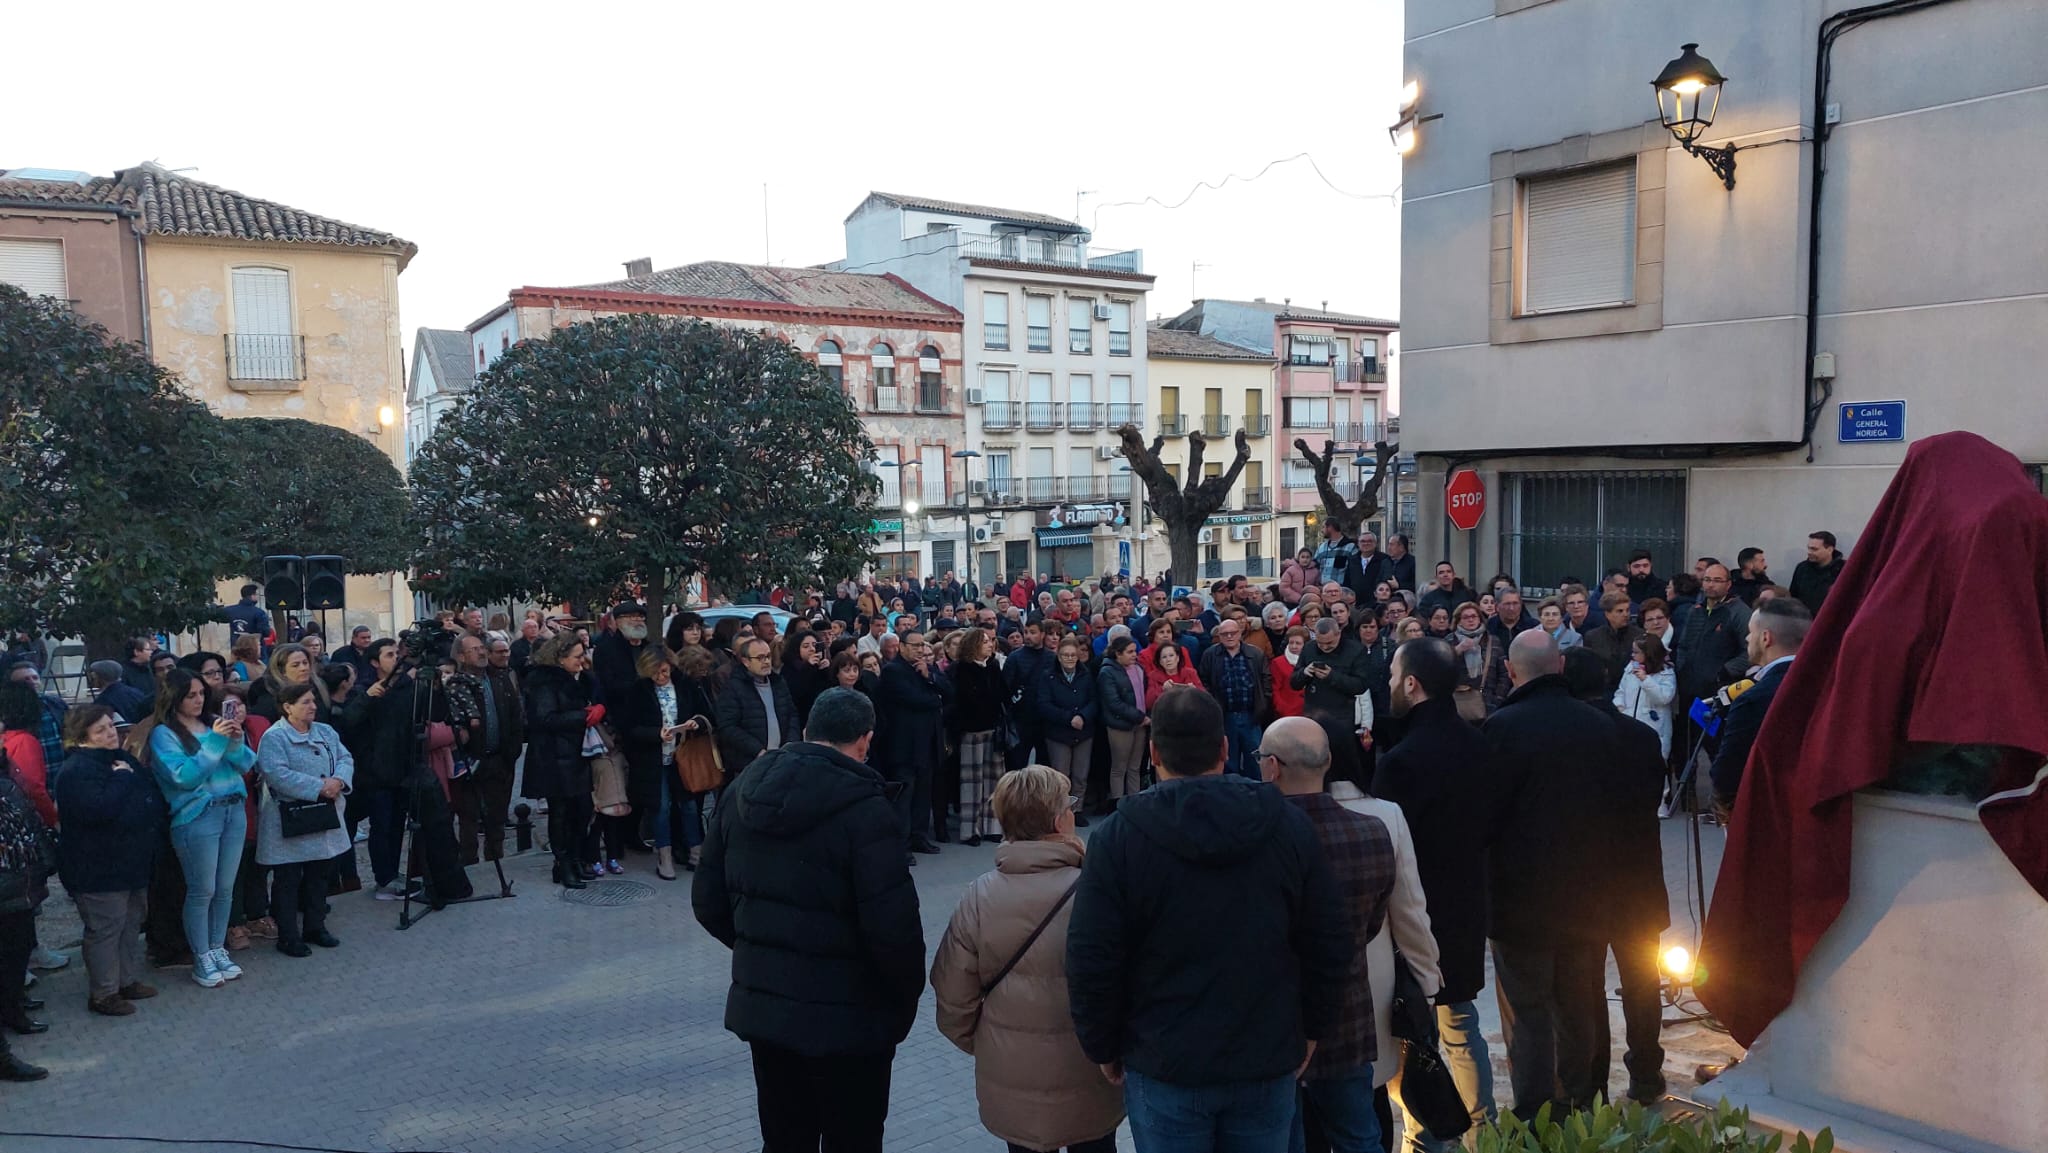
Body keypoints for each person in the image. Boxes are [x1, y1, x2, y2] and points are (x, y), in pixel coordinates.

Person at [1066, 688, 1349, 1152]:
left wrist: (1101, 1044)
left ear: (1153, 753)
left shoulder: (1118, 837)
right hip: (1263, 1053)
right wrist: (1315, 1027)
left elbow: (1092, 955)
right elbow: (1327, 938)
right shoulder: (1288, 823)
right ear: (1223, 748)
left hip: (1166, 1059)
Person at [692, 688, 925, 1153]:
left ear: (805, 732)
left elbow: (707, 901)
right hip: (851, 1024)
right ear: (865, 741)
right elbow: (893, 932)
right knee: (853, 1140)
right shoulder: (866, 808)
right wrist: (901, 1003)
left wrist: (761, 952)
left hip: (769, 1015)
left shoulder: (743, 789)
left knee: (784, 1139)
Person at [1262, 715, 1436, 1153]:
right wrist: (1427, 983)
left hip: (1276, 1019)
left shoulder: (1257, 835)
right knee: (1361, 1131)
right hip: (1353, 1007)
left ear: (1272, 767)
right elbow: (1390, 916)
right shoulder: (1373, 828)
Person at [930, 765, 1123, 1153]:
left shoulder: (979, 897)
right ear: (1058, 820)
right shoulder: (1096, 890)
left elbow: (952, 1001)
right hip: (1091, 1072)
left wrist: (994, 1045)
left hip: (1013, 1081)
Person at [1480, 631, 1624, 1118]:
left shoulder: (1501, 729)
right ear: (1559, 668)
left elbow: (1486, 817)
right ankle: (1578, 1103)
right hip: (1588, 897)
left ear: (1513, 673)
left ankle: (1535, 1114)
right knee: (1578, 1002)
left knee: (1529, 1012)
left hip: (1521, 903)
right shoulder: (1601, 727)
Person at [1372, 638, 1498, 1147]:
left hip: (1413, 918)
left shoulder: (1402, 761)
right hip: (1467, 906)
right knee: (1462, 1024)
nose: (1387, 686)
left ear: (1411, 683)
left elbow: (1388, 852)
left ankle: (1424, 1138)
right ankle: (1484, 1133)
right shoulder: (1481, 744)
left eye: (1392, 676)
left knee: (1413, 1039)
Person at [1561, 649, 1670, 1106]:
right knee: (1642, 982)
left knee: (1586, 991)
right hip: (1639, 879)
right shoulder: (1642, 737)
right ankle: (1646, 1073)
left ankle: (1592, 1087)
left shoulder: (1569, 741)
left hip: (1586, 886)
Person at [140, 668, 254, 989]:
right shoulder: (164, 734)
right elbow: (184, 777)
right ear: (173, 697)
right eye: (191, 695)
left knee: (225, 888)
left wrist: (233, 740)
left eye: (201, 693)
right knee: (202, 889)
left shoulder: (211, 724)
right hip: (198, 817)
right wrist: (217, 742)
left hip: (233, 809)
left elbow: (247, 763)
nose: (198, 699)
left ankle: (217, 948)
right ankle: (201, 954)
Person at [52, 705, 165, 1017]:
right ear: (82, 737)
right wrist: (121, 782)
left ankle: (126, 981)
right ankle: (103, 994)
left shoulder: (122, 759)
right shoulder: (76, 770)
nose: (110, 733)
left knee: (131, 923)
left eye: (111, 727)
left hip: (132, 861)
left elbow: (147, 792)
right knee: (105, 929)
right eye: (100, 730)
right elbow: (98, 810)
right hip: (97, 868)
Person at [254, 682, 353, 958]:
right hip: (291, 818)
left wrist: (339, 781)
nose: (313, 706)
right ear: (288, 707)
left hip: (324, 814)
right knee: (288, 879)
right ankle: (288, 935)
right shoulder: (275, 737)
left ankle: (315, 926)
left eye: (313, 701)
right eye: (306, 702)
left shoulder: (325, 731)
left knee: (319, 875)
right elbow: (276, 774)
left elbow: (345, 757)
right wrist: (318, 787)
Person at [1709, 598, 1810, 812]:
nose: (1747, 638)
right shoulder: (1826, 685)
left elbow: (1726, 774)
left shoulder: (1752, 699)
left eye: (1750, 632)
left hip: (1765, 812)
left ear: (1765, 638)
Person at [520, 633, 598, 889]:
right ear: (560, 657)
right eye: (576, 656)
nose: (581, 660)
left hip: (573, 754)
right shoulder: (544, 682)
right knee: (562, 813)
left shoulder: (575, 678)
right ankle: (564, 863)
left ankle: (574, 859)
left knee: (581, 810)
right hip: (552, 757)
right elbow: (544, 719)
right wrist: (582, 717)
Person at [448, 633, 522, 869]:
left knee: (497, 817)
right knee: (469, 817)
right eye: (474, 649)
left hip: (500, 759)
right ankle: (470, 865)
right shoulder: (456, 685)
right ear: (461, 656)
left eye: (482, 648)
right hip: (470, 760)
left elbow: (515, 715)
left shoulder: (499, 678)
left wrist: (512, 752)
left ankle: (496, 863)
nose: (481, 652)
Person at [874, 631, 949, 861]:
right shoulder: (893, 671)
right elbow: (917, 699)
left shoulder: (925, 668)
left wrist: (930, 678)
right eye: (914, 645)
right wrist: (935, 699)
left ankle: (919, 836)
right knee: (904, 796)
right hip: (904, 744)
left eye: (921, 645)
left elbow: (949, 690)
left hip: (928, 742)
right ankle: (902, 844)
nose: (919, 650)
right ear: (902, 647)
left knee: (923, 793)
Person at [0, 752, 50, 1081]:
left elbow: (29, 820)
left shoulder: (6, 779)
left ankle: (12, 1009)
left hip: (17, 885)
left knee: (16, 955)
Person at [1293, 617, 1371, 785]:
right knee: (1315, 760)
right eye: (1320, 643)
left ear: (1338, 634)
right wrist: (1304, 673)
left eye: (1329, 643)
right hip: (1314, 715)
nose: (1324, 647)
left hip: (1342, 717)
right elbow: (1294, 683)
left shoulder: (1355, 650)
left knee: (1343, 762)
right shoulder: (1308, 649)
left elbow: (1361, 685)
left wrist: (1332, 677)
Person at [950, 629, 1008, 845]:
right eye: (984, 642)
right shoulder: (961, 669)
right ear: (973, 645)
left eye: (990, 641)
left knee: (995, 781)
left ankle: (992, 826)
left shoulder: (993, 666)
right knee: (972, 784)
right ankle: (970, 830)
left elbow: (1002, 693)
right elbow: (964, 700)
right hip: (971, 731)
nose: (990, 645)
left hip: (993, 730)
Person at [1674, 564, 1753, 721]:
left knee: (1712, 736)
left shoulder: (1739, 612)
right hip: (1689, 686)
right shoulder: (1695, 610)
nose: (1711, 584)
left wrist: (1724, 671)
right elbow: (1683, 644)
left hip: (1718, 689)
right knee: (1688, 733)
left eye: (1717, 580)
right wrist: (1681, 666)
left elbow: (1750, 651)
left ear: (1728, 584)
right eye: (1707, 580)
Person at [1198, 619, 1270, 781]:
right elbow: (1203, 681)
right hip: (1225, 716)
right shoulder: (1210, 655)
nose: (1229, 636)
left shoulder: (1255, 653)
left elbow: (1266, 681)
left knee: (1256, 760)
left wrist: (1263, 705)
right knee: (1229, 761)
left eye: (1233, 633)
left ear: (1240, 633)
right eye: (1225, 634)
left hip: (1251, 715)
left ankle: (1257, 795)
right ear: (1219, 635)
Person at [714, 636, 798, 773]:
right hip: (749, 763)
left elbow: (792, 714)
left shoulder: (778, 683)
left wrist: (790, 743)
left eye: (768, 656)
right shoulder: (733, 688)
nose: (766, 662)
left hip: (781, 758)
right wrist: (757, 750)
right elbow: (727, 726)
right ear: (746, 661)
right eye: (760, 658)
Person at [1097, 636, 1149, 806]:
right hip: (1121, 725)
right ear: (1118, 654)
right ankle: (1117, 804)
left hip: (1140, 724)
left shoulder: (1138, 668)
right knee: (1119, 767)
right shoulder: (1107, 672)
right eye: (1130, 652)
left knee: (1134, 767)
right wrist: (1139, 717)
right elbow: (1114, 703)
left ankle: (1134, 802)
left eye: (1135, 651)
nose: (1135, 655)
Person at [1612, 635, 1677, 760]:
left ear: (1648, 653)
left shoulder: (1666, 673)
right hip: (1629, 727)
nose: (1632, 655)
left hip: (1654, 730)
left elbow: (1664, 698)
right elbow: (1620, 691)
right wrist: (1620, 707)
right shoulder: (1631, 668)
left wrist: (1646, 680)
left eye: (1636, 652)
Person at [1579, 591, 1643, 696]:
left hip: (1632, 689)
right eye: (1620, 611)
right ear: (1607, 614)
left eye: (1627, 610)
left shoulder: (1639, 635)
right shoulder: (1593, 636)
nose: (1625, 614)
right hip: (1603, 690)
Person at [1445, 601, 1500, 721]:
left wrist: (1498, 698)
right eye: (1465, 617)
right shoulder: (1448, 641)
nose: (1470, 620)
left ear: (1480, 619)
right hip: (1457, 703)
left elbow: (1503, 673)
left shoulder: (1492, 641)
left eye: (1474, 616)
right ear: (1458, 620)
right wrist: (1457, 651)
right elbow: (1440, 671)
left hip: (1488, 703)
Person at [1789, 531, 1847, 616]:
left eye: (1814, 549)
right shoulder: (1802, 568)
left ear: (1830, 549)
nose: (1809, 552)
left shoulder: (1843, 570)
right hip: (1803, 621)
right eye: (1809, 548)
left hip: (1831, 620)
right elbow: (1793, 597)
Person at [1269, 627, 1309, 719]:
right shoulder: (1278, 662)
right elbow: (1274, 689)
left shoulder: (1310, 661)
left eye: (1298, 643)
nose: (1294, 646)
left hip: (1308, 713)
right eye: (1291, 642)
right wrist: (1282, 709)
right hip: (1287, 713)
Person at [223, 584, 272, 655]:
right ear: (252, 596)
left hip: (236, 650)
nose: (257, 597)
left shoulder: (229, 610)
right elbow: (265, 632)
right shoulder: (259, 612)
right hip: (254, 651)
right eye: (256, 595)